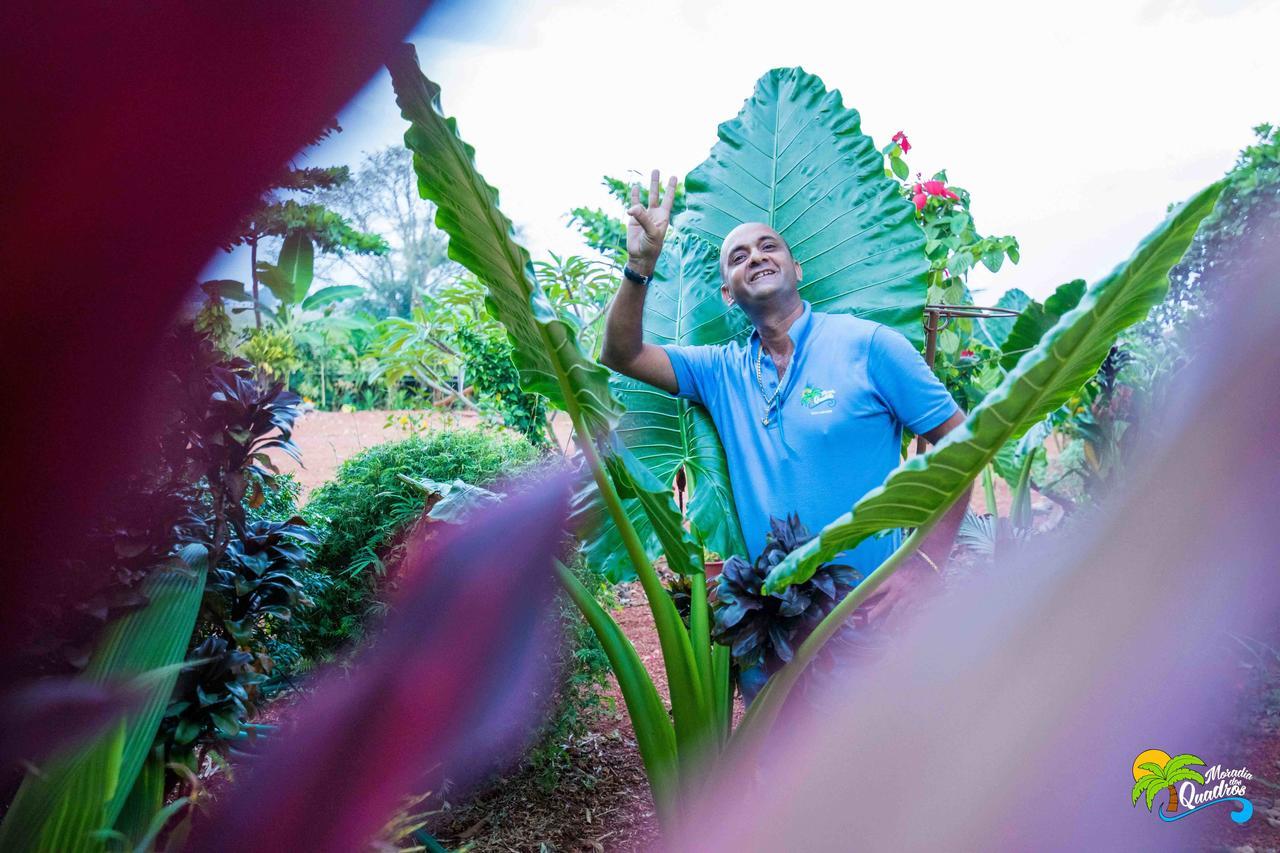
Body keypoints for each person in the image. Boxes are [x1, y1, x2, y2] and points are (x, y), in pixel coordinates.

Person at [600, 170, 972, 628]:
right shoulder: (719, 370)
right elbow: (622, 353)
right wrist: (640, 266)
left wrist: (926, 563)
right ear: (727, 295)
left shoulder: (871, 346)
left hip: (872, 619)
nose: (755, 256)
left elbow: (964, 444)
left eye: (768, 246)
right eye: (738, 257)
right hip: (773, 625)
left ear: (797, 270)